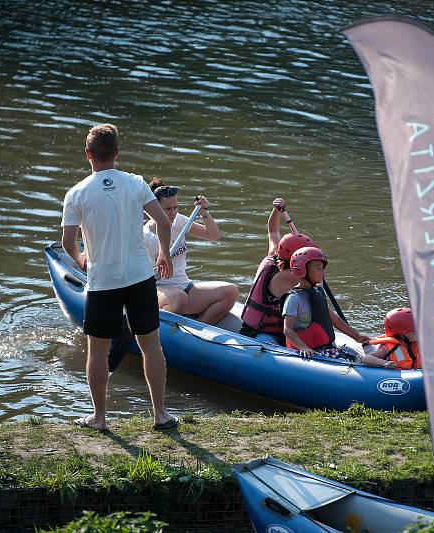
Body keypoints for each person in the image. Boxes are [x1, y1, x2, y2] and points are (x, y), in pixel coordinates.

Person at [61, 124, 178, 432]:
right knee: (151, 346)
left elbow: (67, 240)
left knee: (97, 350)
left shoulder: (77, 193)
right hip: (140, 276)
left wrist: (79, 258)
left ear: (87, 154)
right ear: (116, 153)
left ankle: (99, 418)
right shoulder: (135, 183)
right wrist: (164, 254)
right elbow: (163, 222)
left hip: (104, 281)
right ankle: (160, 415)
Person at [143, 179, 239, 325]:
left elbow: (213, 235)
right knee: (179, 298)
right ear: (154, 209)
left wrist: (204, 212)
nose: (173, 213)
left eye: (175, 207)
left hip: (184, 287)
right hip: (157, 291)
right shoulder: (146, 236)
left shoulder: (180, 222)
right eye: (168, 209)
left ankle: (200, 329)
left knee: (231, 291)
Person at [281, 247, 392, 368]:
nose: (323, 272)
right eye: (318, 268)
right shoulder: (294, 298)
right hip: (311, 352)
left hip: (327, 348)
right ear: (301, 270)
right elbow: (288, 330)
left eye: (323, 268)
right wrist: (304, 347)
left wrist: (357, 337)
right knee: (356, 361)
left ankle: (385, 363)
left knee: (356, 357)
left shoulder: (317, 292)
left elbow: (333, 318)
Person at [240, 198, 316, 344]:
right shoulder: (290, 276)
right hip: (262, 332)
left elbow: (273, 231)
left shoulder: (275, 254)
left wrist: (276, 211)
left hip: (276, 329)